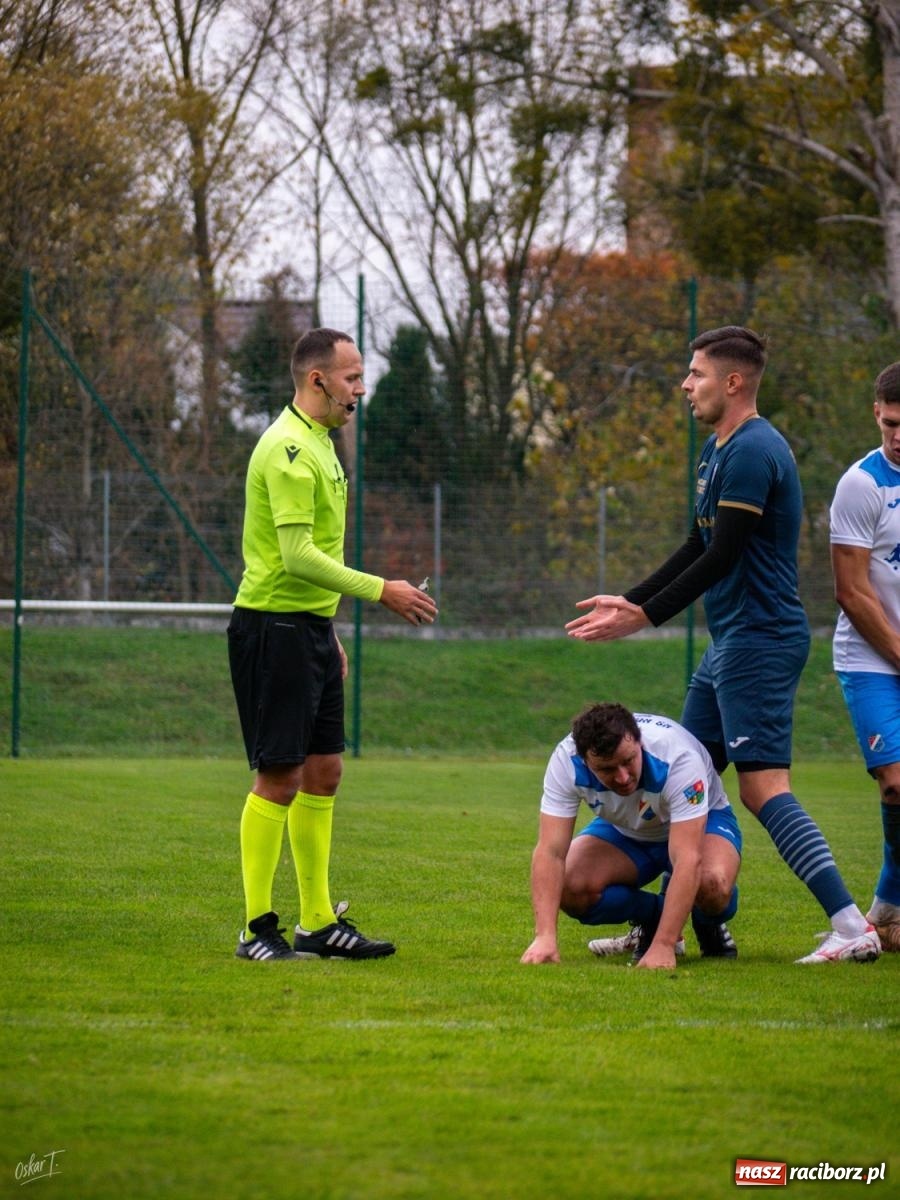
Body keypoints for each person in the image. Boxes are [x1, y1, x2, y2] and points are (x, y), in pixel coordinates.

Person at [566, 326, 880, 964]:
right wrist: (631, 599)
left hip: (760, 640)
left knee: (762, 789)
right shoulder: (717, 450)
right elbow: (695, 545)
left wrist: (644, 617)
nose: (686, 384)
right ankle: (672, 931)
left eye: (696, 373)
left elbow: (725, 554)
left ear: (733, 382)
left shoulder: (754, 450)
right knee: (682, 784)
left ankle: (851, 925)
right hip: (732, 641)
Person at [228, 327, 438, 962]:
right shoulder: (289, 448)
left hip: (309, 629)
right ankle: (255, 929)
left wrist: (330, 630)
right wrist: (382, 591)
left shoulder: (321, 442)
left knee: (324, 771)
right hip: (274, 627)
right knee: (280, 776)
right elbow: (295, 557)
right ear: (317, 380)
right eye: (351, 377)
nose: (361, 388)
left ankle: (317, 924)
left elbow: (314, 563)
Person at [520, 703, 742, 970]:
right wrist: (545, 938)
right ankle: (653, 916)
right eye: (607, 769)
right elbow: (550, 852)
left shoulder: (677, 758)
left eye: (628, 761)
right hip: (627, 830)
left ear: (639, 741)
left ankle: (707, 923)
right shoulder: (566, 762)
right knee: (571, 887)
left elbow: (687, 858)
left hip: (702, 822)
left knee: (712, 884)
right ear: (585, 761)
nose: (623, 777)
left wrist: (664, 946)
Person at [830, 361, 900, 950]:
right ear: (876, 413)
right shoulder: (861, 484)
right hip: (871, 659)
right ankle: (891, 902)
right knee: (897, 782)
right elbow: (851, 590)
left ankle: (889, 907)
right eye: (889, 423)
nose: (898, 435)